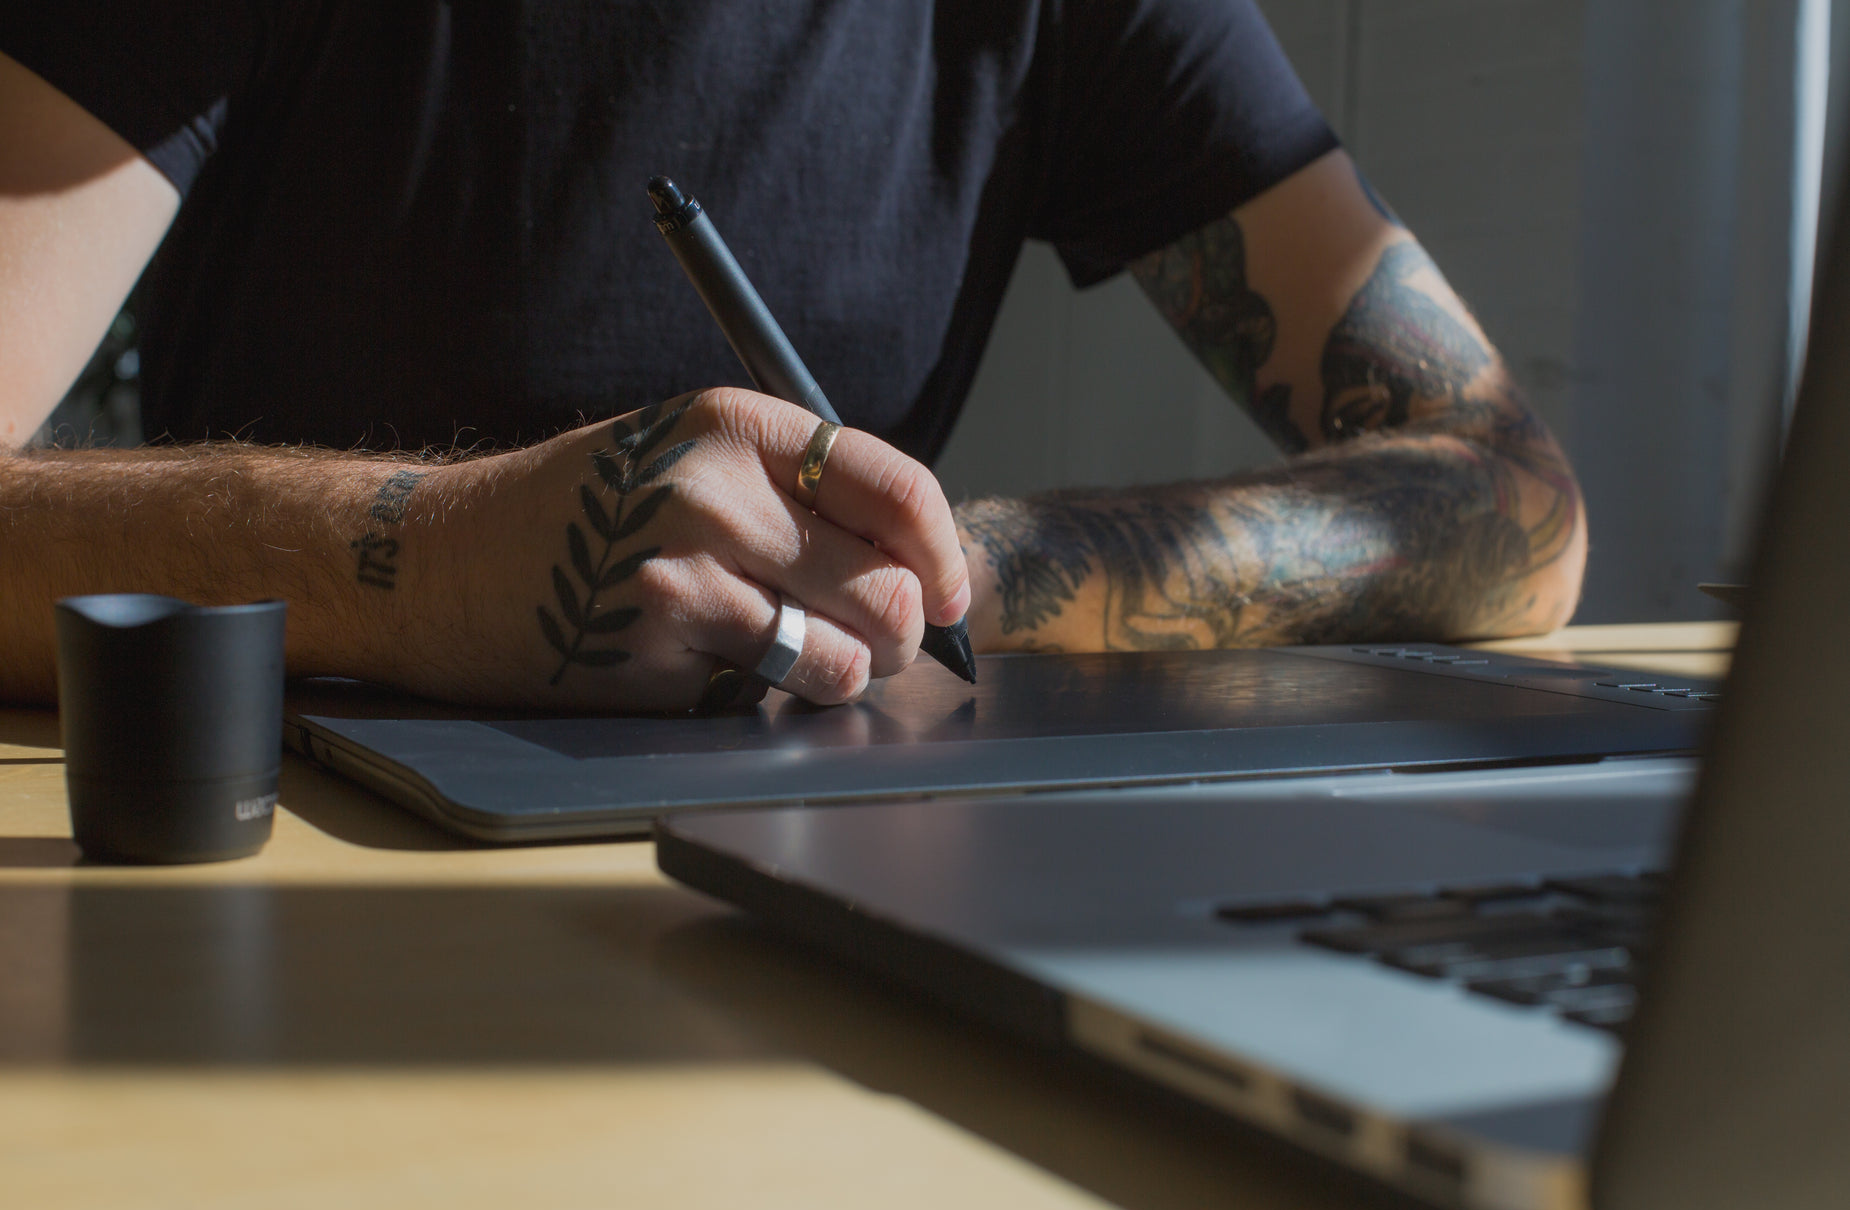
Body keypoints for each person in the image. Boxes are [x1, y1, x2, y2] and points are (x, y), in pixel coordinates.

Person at [0, 2, 1584, 713]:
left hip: (801, 857)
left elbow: (1509, 500)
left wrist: (939, 572)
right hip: (286, 887)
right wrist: (436, 555)